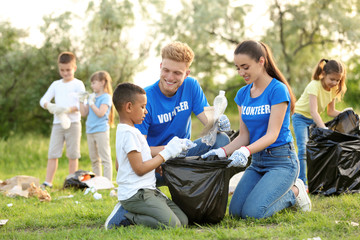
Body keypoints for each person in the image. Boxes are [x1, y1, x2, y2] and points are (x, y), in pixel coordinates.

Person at [201, 40, 311, 219]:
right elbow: (244, 136)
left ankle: (296, 192)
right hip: (257, 162)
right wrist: (221, 152)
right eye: (237, 68)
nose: (241, 73)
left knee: (253, 213)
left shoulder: (277, 90)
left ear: (261, 61)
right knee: (236, 213)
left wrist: (245, 151)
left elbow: (272, 134)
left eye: (245, 67)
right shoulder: (242, 94)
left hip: (282, 161)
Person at [135, 41, 231, 185]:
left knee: (222, 139)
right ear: (160, 67)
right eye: (166, 70)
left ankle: (200, 187)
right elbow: (139, 150)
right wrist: (168, 151)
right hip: (156, 164)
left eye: (177, 73)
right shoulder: (145, 98)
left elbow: (209, 122)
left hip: (183, 157)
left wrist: (218, 121)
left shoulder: (191, 86)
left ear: (186, 74)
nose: (170, 77)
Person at [105, 82, 191, 229]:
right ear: (129, 107)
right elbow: (139, 168)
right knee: (173, 225)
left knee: (183, 221)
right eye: (143, 107)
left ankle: (134, 211)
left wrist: (155, 167)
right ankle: (128, 217)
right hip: (136, 194)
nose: (146, 111)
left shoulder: (132, 131)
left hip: (148, 190)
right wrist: (166, 153)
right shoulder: (128, 133)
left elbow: (122, 164)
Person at [292, 59, 347, 190]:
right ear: (324, 74)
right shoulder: (314, 86)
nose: (335, 83)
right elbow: (313, 111)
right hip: (300, 117)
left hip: (313, 119)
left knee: (317, 149)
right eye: (332, 79)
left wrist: (347, 114)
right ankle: (302, 183)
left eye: (338, 80)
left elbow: (331, 111)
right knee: (303, 149)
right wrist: (324, 128)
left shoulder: (333, 90)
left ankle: (317, 180)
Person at [39, 51, 85, 188]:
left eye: (68, 70)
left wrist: (69, 109)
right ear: (59, 69)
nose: (65, 73)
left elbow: (83, 103)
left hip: (74, 123)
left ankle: (71, 182)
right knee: (53, 153)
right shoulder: (56, 84)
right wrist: (51, 106)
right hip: (57, 123)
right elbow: (43, 100)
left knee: (73, 154)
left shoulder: (79, 84)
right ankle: (48, 182)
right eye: (62, 70)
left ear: (74, 68)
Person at [79, 71, 115, 181]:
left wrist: (91, 103)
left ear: (102, 82)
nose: (92, 85)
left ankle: (107, 182)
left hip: (101, 131)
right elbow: (84, 113)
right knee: (94, 159)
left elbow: (100, 113)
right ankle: (97, 182)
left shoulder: (106, 97)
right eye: (92, 83)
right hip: (90, 131)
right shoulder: (92, 97)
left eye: (94, 82)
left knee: (105, 158)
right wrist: (81, 101)